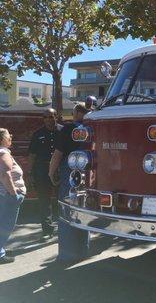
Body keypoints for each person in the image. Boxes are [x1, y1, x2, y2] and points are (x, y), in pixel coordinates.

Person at [48, 103, 90, 263]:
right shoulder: (93, 128)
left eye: (73, 112)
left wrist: (51, 172)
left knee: (66, 213)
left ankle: (66, 255)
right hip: (88, 175)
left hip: (70, 174)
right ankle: (83, 250)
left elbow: (58, 154)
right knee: (83, 212)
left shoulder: (68, 129)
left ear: (78, 112)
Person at [28, 108, 63, 239]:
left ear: (56, 116)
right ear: (43, 119)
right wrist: (30, 173)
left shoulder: (63, 131)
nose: (49, 119)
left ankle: (64, 228)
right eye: (46, 117)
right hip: (42, 171)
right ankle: (47, 230)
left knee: (63, 200)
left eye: (51, 116)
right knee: (44, 201)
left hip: (60, 170)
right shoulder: (38, 134)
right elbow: (32, 154)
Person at [0, 128, 26, 264]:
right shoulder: (3, 152)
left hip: (3, 194)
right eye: (8, 135)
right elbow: (5, 174)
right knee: (6, 225)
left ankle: (1, 249)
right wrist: (14, 194)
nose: (11, 136)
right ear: (2, 139)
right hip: (7, 195)